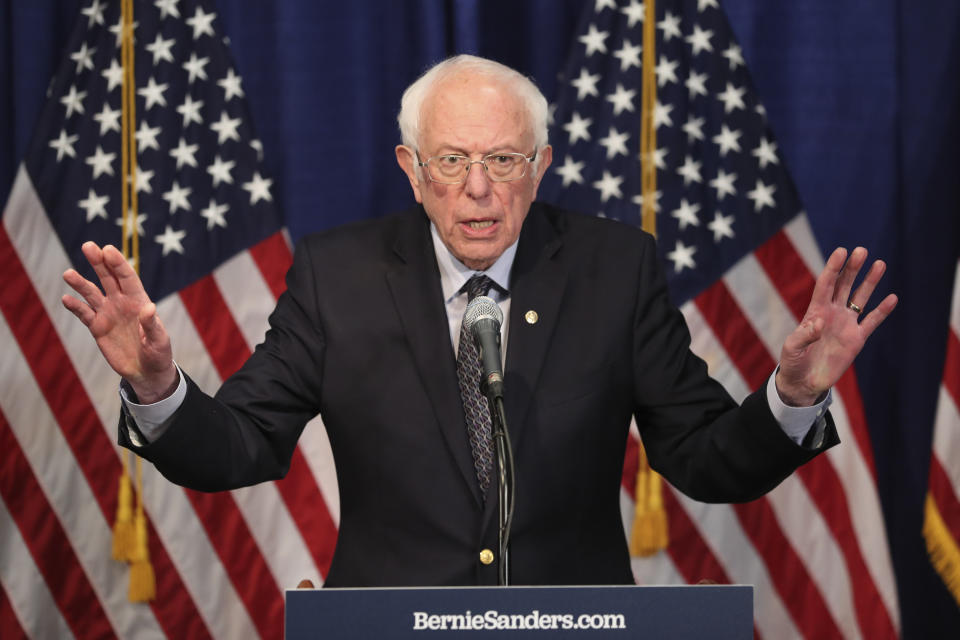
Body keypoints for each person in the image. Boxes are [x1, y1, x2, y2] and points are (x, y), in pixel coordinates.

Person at [61, 55, 897, 587]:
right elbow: (241, 446)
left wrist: (789, 395)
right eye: (452, 161)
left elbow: (708, 461)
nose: (478, 189)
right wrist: (157, 384)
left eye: (502, 160)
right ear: (411, 170)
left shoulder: (613, 269)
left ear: (539, 166)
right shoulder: (338, 275)